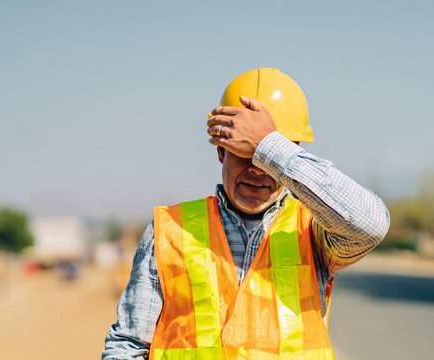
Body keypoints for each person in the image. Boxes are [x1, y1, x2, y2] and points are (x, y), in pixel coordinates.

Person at [102, 68, 390, 360]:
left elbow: (372, 224)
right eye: (246, 152)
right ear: (220, 151)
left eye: (266, 156)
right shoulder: (170, 230)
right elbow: (129, 345)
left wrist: (270, 148)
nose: (257, 168)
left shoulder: (313, 230)